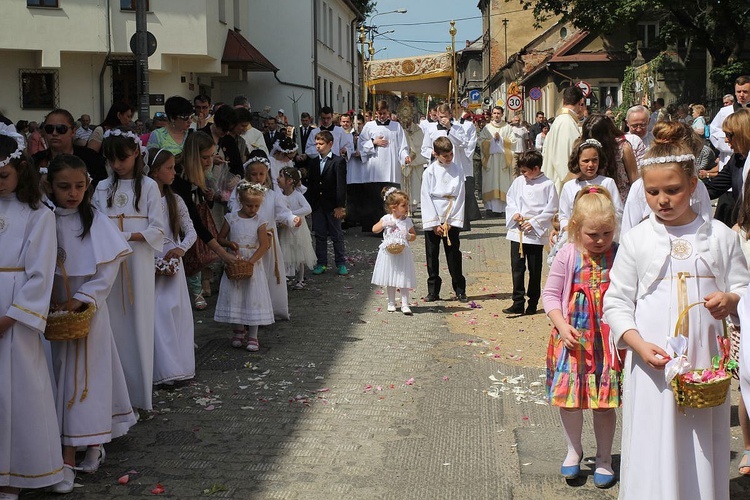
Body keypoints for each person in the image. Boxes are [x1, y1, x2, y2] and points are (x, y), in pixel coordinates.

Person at [603, 121, 749, 499]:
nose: (662, 200)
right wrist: (636, 344)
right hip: (652, 361)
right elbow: (617, 301)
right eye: (652, 192)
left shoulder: (719, 237)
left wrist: (731, 300)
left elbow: (743, 287)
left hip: (705, 363)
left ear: (694, 187)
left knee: (701, 441)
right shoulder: (637, 240)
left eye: (673, 190)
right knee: (653, 436)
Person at [45, 154, 136, 491]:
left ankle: (78, 451)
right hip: (53, 311)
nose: (73, 193)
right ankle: (70, 445)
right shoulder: (44, 219)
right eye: (64, 187)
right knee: (59, 376)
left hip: (87, 312)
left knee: (85, 378)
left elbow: (108, 267)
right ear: (49, 186)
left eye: (80, 186)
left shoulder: (95, 220)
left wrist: (83, 297)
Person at [0, 128, 65, 500]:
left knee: (20, 392)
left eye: (3, 177)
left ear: (20, 170)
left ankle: (20, 472)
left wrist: (10, 317)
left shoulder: (38, 213)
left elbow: (40, 274)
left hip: (18, 315)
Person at [543, 185, 621, 488]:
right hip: (572, 341)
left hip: (606, 342)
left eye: (606, 233)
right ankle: (574, 449)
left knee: (604, 403)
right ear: (576, 229)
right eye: (593, 235)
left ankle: (604, 457)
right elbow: (550, 295)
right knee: (570, 402)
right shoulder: (568, 253)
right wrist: (562, 326)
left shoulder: (619, 253)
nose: (600, 240)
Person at [93, 128, 165, 414]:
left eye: (122, 158)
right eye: (112, 160)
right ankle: (114, 398)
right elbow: (96, 223)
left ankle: (139, 396)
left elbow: (157, 229)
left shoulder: (148, 186)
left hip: (138, 262)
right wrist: (113, 241)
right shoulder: (100, 187)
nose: (117, 165)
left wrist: (126, 238)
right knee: (112, 326)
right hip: (110, 262)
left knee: (139, 323)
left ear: (136, 153)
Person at [147, 149, 197, 387]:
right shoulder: (144, 201)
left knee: (173, 316)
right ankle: (160, 371)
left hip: (171, 264)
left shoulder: (174, 200)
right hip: (148, 262)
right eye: (169, 167)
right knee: (156, 318)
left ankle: (179, 368)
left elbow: (191, 231)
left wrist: (180, 249)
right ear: (154, 171)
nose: (174, 172)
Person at [230, 154, 299, 319]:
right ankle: (247, 311)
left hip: (267, 244)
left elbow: (282, 211)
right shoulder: (240, 194)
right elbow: (233, 212)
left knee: (269, 276)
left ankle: (271, 309)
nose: (258, 178)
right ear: (248, 175)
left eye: (262, 174)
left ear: (267, 174)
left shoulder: (271, 195)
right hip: (247, 243)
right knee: (249, 278)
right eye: (254, 174)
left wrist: (292, 219)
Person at [174, 131, 237, 310]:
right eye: (205, 157)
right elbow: (194, 222)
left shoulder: (195, 173)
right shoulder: (179, 177)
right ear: (194, 156)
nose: (210, 162)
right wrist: (223, 254)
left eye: (211, 156)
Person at [215, 181, 274, 352]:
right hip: (235, 260)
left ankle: (253, 335)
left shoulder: (260, 221)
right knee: (236, 295)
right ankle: (238, 331)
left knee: (252, 297)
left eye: (257, 206)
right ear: (240, 201)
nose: (253, 209)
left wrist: (252, 261)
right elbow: (220, 239)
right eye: (249, 205)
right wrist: (229, 243)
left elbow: (264, 245)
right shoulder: (231, 217)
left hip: (252, 263)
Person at [504, 150, 558, 315]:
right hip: (518, 231)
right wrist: (515, 214)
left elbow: (552, 208)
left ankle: (533, 303)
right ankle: (518, 302)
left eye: (526, 171)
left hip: (534, 233)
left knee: (534, 270)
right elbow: (510, 199)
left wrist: (534, 223)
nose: (523, 174)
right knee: (517, 268)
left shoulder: (548, 185)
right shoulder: (519, 181)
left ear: (536, 168)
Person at [550, 138, 622, 252]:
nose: (591, 165)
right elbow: (564, 215)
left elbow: (618, 211)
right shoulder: (569, 187)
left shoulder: (607, 183)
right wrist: (568, 228)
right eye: (586, 161)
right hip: (576, 240)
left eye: (594, 160)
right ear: (577, 161)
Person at [420, 136, 467, 302]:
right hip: (434, 212)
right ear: (436, 154)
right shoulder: (429, 172)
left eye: (451, 155)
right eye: (445, 156)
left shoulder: (458, 170)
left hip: (451, 213)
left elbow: (461, 195)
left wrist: (451, 220)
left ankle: (459, 288)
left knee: (454, 253)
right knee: (432, 255)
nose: (449, 159)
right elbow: (425, 197)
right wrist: (433, 223)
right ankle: (433, 290)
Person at [358, 100, 411, 232]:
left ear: (388, 112)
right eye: (379, 113)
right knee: (374, 200)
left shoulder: (396, 126)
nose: (381, 116)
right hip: (374, 169)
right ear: (375, 113)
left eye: (384, 113)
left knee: (391, 199)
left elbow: (402, 146)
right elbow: (360, 144)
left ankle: (394, 226)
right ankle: (373, 228)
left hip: (391, 169)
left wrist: (405, 156)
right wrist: (373, 142)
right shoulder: (369, 126)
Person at [305, 131, 348, 275]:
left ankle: (341, 262)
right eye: (316, 143)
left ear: (330, 144)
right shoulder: (313, 162)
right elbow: (311, 184)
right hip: (318, 205)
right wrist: (310, 204)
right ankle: (321, 263)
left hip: (332, 205)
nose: (318, 147)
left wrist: (340, 206)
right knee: (320, 235)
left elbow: (340, 185)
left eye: (321, 144)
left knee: (337, 235)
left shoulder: (338, 161)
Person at [371, 187, 418, 315]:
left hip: (403, 253)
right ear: (394, 207)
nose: (407, 208)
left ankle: (405, 304)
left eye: (407, 205)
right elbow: (374, 229)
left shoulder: (407, 221)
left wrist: (408, 236)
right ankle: (391, 302)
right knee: (390, 277)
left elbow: (414, 235)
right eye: (404, 205)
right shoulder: (386, 218)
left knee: (403, 277)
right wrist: (383, 225)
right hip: (389, 254)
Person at [32, 108, 107, 185]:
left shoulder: (91, 158)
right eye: (49, 129)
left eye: (61, 129)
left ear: (73, 132)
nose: (54, 133)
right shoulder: (36, 160)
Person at [276, 167, 315, 289]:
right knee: (285, 250)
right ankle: (286, 275)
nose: (278, 178)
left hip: (298, 229)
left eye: (281, 176)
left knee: (299, 252)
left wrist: (291, 214)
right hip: (286, 229)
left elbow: (307, 208)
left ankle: (300, 278)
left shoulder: (297, 195)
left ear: (289, 181)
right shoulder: (279, 196)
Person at [542, 86, 585, 192]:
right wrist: (574, 180)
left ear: (563, 100)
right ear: (580, 103)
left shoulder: (560, 120)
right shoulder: (567, 122)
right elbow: (566, 156)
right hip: (562, 184)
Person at [479, 105, 515, 216]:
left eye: (498, 113)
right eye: (494, 113)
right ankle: (490, 209)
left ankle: (503, 209)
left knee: (503, 183)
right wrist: (491, 141)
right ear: (492, 114)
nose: (496, 115)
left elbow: (513, 142)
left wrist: (501, 140)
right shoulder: (487, 128)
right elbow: (481, 142)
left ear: (502, 114)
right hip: (490, 160)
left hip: (503, 160)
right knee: (490, 182)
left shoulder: (507, 127)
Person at [710, 75, 750, 169]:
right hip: (729, 157)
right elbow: (714, 132)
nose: (741, 95)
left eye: (745, 92)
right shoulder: (725, 112)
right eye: (738, 91)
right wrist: (734, 144)